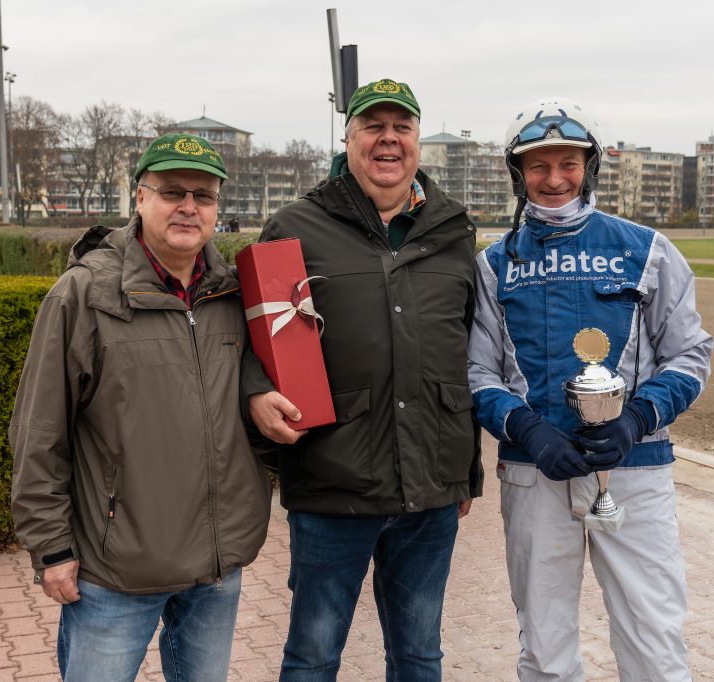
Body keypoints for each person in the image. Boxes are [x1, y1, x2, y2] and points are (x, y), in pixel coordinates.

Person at [10, 132, 272, 681]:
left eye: (203, 196)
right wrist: (52, 548)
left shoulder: (232, 294)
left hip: (217, 567)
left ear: (216, 208)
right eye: (172, 191)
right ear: (139, 198)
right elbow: (39, 432)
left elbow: (245, 393)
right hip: (116, 570)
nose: (188, 207)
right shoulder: (83, 296)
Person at [467, 97, 713, 681]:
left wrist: (634, 421)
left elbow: (691, 353)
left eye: (569, 164)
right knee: (545, 650)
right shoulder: (492, 264)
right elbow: (477, 372)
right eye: (538, 165)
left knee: (653, 643)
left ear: (590, 165)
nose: (554, 179)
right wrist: (527, 428)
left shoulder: (647, 249)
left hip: (635, 467)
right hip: (534, 472)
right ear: (517, 173)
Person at [245, 78, 483, 681]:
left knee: (419, 655)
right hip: (333, 481)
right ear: (348, 139)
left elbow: (470, 348)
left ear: (417, 142)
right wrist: (254, 390)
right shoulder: (295, 225)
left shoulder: (456, 231)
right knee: (313, 654)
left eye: (401, 127)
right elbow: (245, 334)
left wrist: (465, 472)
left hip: (431, 488)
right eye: (372, 126)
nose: (388, 139)